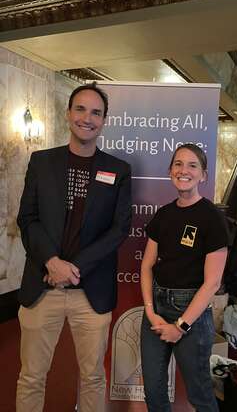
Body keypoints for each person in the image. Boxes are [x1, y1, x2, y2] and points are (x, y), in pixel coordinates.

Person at [16, 82, 132, 412]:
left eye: (96, 112)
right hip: (42, 283)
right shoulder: (41, 162)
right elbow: (27, 218)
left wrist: (72, 268)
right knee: (31, 377)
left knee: (93, 376)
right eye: (80, 109)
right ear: (68, 114)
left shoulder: (119, 170)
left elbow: (118, 229)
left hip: (90, 290)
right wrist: (52, 262)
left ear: (104, 120)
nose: (87, 118)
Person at [140, 143, 229, 412]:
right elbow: (146, 266)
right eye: (178, 164)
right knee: (153, 391)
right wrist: (150, 311)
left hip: (190, 310)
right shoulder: (163, 215)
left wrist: (180, 326)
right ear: (170, 171)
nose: (183, 170)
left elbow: (212, 282)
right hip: (155, 308)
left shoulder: (212, 218)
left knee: (200, 393)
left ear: (203, 175)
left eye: (192, 165)